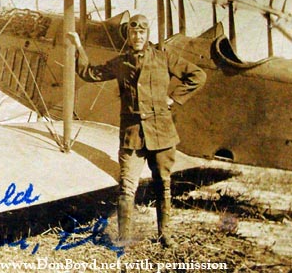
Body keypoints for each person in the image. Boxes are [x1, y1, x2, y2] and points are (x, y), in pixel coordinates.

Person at [68, 14, 206, 248]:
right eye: (133, 33)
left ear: (147, 34)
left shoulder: (164, 57)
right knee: (127, 185)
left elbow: (198, 76)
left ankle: (165, 235)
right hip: (133, 135)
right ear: (129, 36)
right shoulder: (121, 62)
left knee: (163, 183)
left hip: (161, 133)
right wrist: (78, 47)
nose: (138, 36)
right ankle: (124, 238)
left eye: (142, 33)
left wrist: (173, 99)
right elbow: (90, 73)